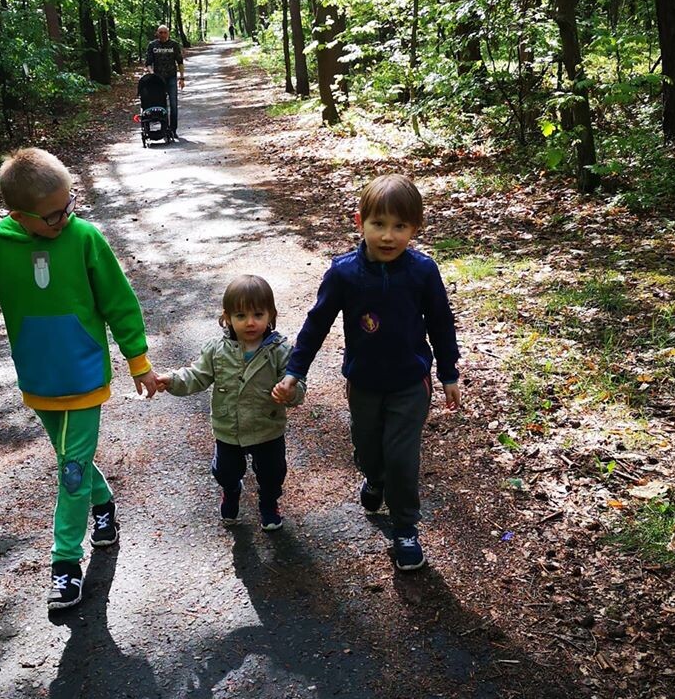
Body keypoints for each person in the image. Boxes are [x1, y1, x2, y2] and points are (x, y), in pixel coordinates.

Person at [0, 148, 158, 611]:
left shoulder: (84, 237)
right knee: (73, 460)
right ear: (17, 216)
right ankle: (102, 506)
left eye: (69, 206)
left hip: (83, 371)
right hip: (39, 379)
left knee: (70, 470)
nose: (64, 218)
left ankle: (65, 565)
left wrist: (137, 359)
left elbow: (118, 301)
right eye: (51, 216)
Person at [273, 175, 461, 570]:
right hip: (363, 383)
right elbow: (316, 324)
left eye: (400, 226)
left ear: (415, 228)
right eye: (379, 224)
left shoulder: (423, 272)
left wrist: (448, 374)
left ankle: (405, 528)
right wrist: (295, 371)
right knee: (369, 447)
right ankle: (372, 477)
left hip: (411, 382)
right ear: (360, 222)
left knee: (402, 457)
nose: (389, 236)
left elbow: (442, 323)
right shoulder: (345, 273)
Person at [155, 275, 305, 531]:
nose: (249, 322)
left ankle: (269, 503)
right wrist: (172, 380)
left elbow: (296, 384)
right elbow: (196, 375)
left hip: (267, 427)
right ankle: (231, 489)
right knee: (225, 471)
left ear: (271, 315)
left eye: (258, 314)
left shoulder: (280, 351)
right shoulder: (217, 349)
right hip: (229, 428)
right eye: (240, 316)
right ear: (227, 318)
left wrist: (289, 392)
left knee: (272, 473)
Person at [144, 25, 185, 138]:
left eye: (165, 32)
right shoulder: (153, 45)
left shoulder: (174, 45)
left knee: (173, 104)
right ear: (157, 33)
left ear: (168, 33)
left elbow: (180, 62)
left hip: (171, 77)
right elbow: (148, 63)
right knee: (161, 105)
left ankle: (173, 130)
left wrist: (182, 78)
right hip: (158, 80)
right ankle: (165, 128)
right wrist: (152, 74)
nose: (162, 35)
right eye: (160, 32)